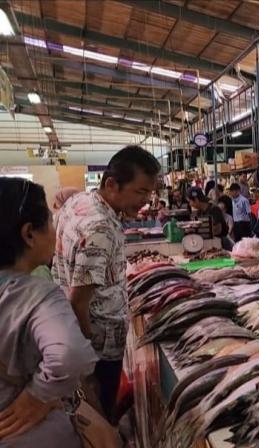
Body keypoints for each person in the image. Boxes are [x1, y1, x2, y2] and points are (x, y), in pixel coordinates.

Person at [52, 145, 160, 419]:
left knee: (89, 413)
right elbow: (78, 301)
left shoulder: (78, 203)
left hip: (79, 339)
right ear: (112, 183)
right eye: (140, 191)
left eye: (149, 192)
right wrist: (87, 348)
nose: (146, 200)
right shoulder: (100, 226)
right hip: (98, 349)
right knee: (100, 413)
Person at [0, 179, 97, 447]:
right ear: (29, 233)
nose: (56, 230)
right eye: (51, 222)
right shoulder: (37, 294)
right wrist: (37, 395)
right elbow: (70, 356)